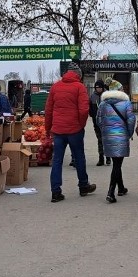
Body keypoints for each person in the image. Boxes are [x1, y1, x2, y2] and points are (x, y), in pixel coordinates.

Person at [44, 62, 96, 202]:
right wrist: (80, 125)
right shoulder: (79, 87)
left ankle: (56, 192)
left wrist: (48, 129)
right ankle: (83, 186)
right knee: (79, 158)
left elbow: (48, 111)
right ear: (78, 75)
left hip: (58, 131)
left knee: (57, 160)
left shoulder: (55, 87)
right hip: (75, 130)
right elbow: (84, 110)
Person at [97, 79, 136, 203]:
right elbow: (131, 120)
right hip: (121, 136)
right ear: (119, 90)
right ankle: (110, 192)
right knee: (117, 164)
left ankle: (121, 188)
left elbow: (98, 121)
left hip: (107, 137)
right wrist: (129, 133)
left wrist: (105, 131)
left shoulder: (103, 104)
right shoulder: (126, 104)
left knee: (116, 163)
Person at [89, 79, 107, 165]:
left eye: (99, 87)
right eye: (96, 87)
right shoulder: (93, 96)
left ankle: (108, 157)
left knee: (106, 140)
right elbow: (90, 108)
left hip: (106, 122)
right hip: (96, 122)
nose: (98, 89)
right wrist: (92, 115)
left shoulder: (107, 95)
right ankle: (101, 158)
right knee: (100, 140)